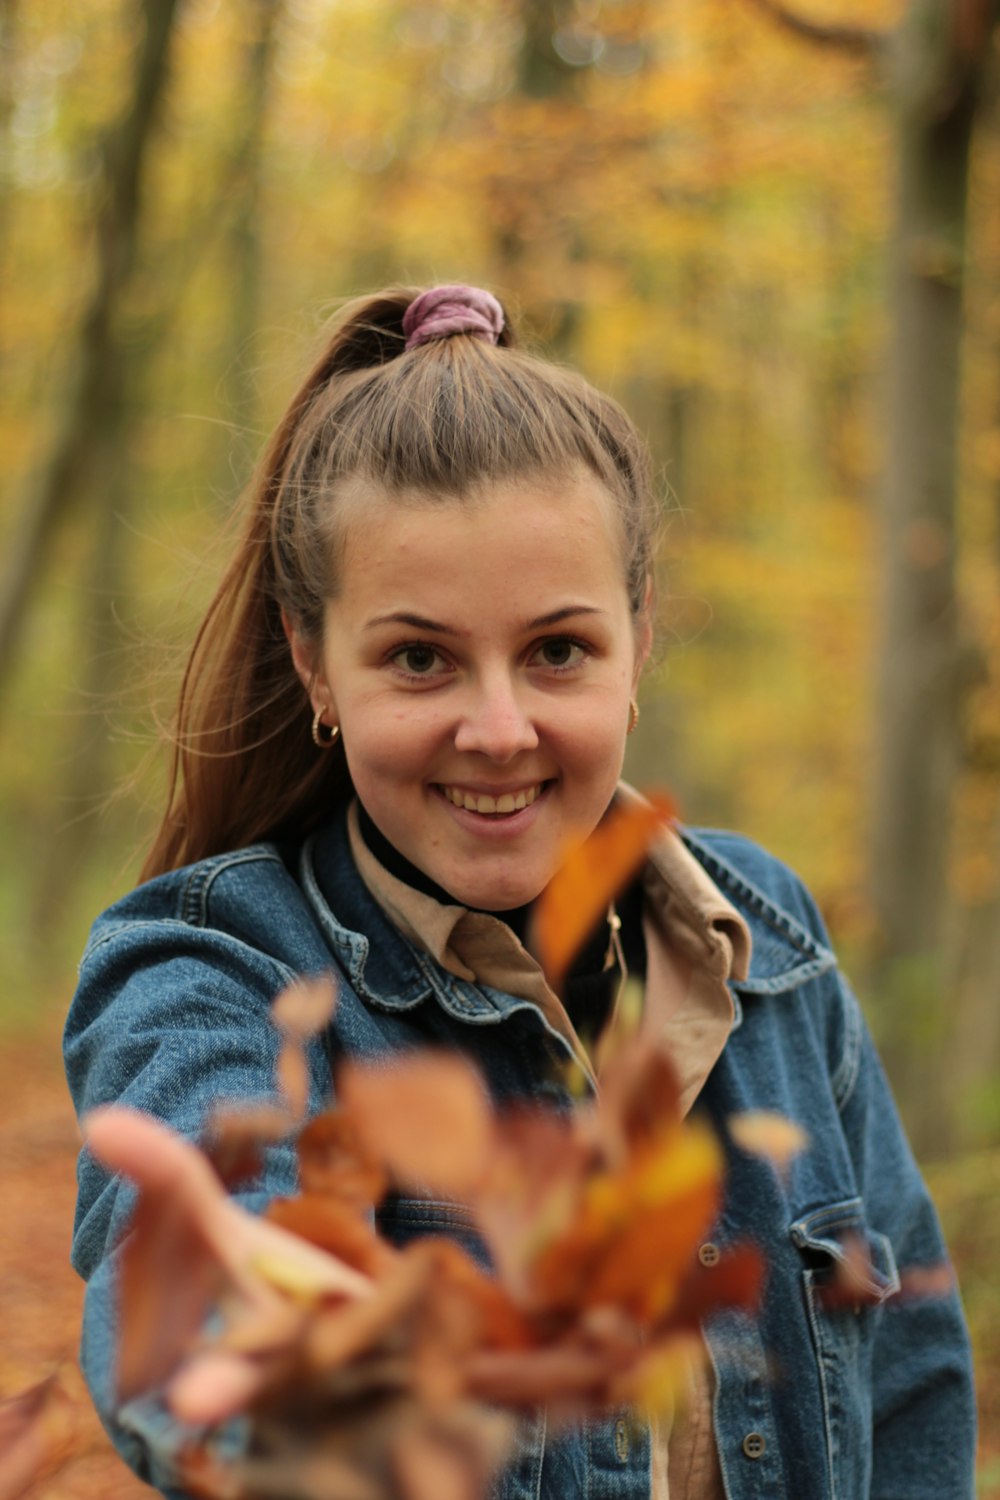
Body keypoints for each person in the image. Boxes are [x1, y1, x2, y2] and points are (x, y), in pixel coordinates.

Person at [64, 284, 976, 1500]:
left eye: (557, 650)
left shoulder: (771, 942)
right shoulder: (213, 971)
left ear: (638, 641)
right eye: (419, 658)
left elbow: (909, 1386)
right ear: (311, 658)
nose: (498, 732)